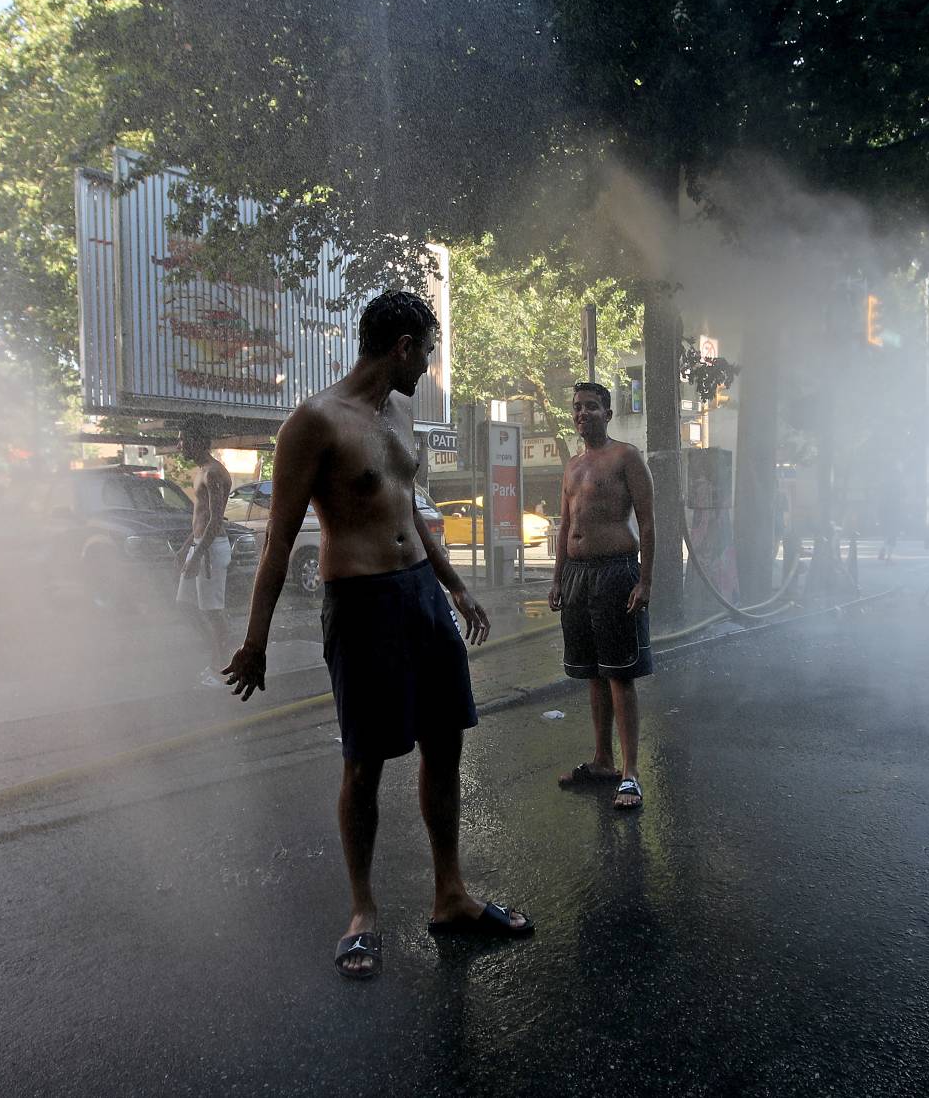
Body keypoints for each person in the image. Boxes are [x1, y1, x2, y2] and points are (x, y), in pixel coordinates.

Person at [222, 290, 530, 981]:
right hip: (360, 602)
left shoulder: (402, 412)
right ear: (401, 346)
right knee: (364, 761)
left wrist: (452, 582)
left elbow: (410, 511)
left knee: (444, 741)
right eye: (426, 350)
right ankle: (362, 910)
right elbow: (277, 542)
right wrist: (256, 640)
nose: (428, 364)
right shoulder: (313, 423)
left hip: (421, 593)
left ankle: (450, 894)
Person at [548, 381, 656, 811]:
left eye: (592, 407)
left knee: (619, 673)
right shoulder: (572, 465)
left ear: (608, 413)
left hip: (616, 573)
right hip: (577, 575)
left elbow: (647, 524)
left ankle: (630, 773)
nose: (583, 413)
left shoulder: (626, 457)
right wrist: (557, 578)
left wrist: (644, 581)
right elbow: (564, 525)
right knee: (592, 671)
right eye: (577, 407)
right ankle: (602, 761)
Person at [176, 427, 234, 687]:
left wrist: (198, 554)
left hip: (211, 549)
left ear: (196, 441)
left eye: (182, 440)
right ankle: (217, 655)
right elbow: (200, 519)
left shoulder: (214, 473)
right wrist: (186, 546)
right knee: (186, 604)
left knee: (213, 613)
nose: (179, 446)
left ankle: (222, 668)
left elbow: (215, 519)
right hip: (200, 545)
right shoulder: (201, 471)